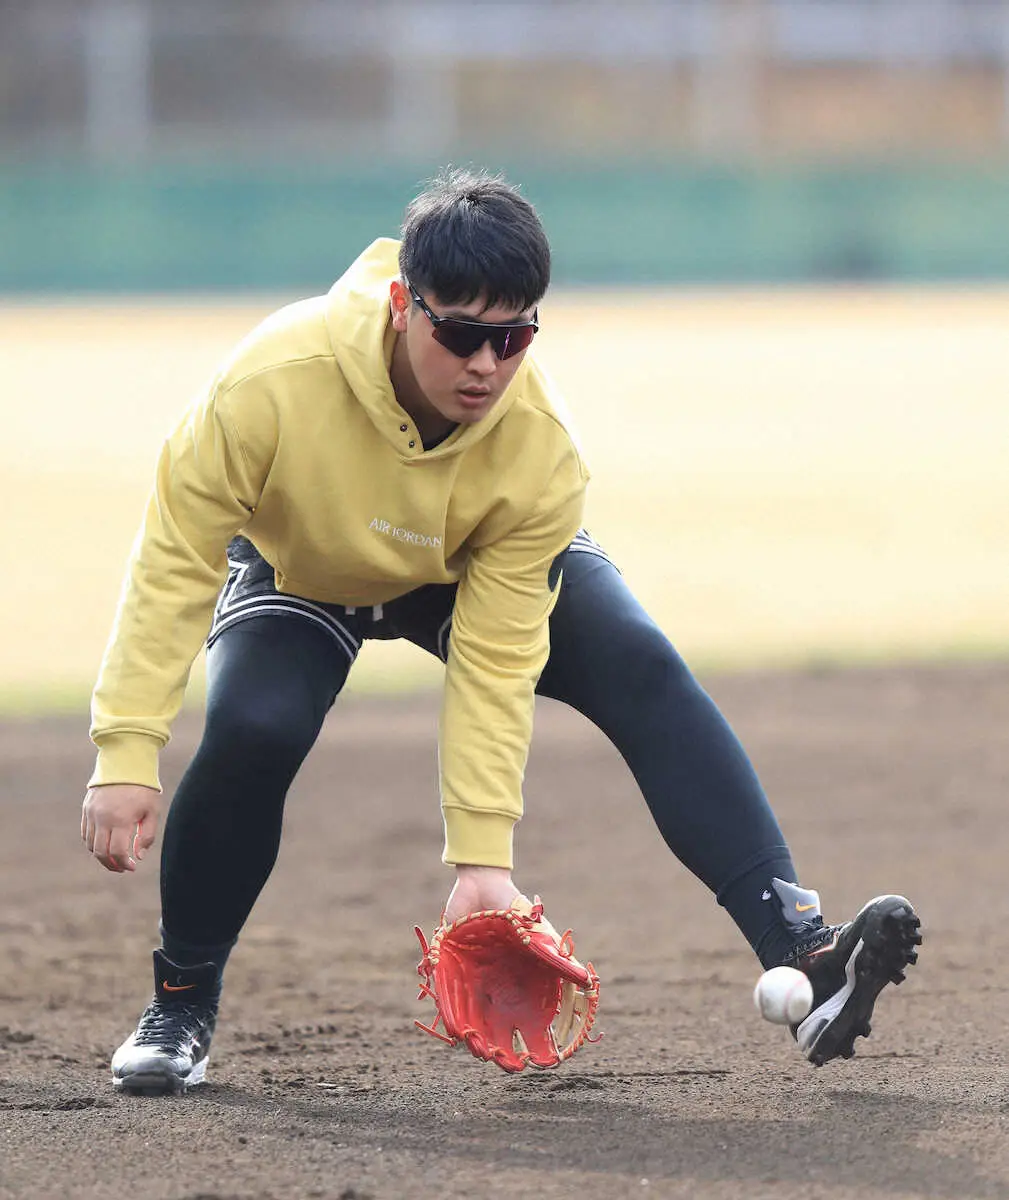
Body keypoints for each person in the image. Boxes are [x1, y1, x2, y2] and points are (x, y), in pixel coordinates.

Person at [81, 167, 920, 1094]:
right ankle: (180, 1005)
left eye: (514, 336)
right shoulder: (271, 382)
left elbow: (493, 661)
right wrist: (126, 749)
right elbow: (173, 561)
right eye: (463, 334)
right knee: (254, 727)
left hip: (462, 564)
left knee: (640, 664)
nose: (487, 364)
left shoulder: (536, 448)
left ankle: (805, 956)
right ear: (403, 304)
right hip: (302, 567)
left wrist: (483, 861)